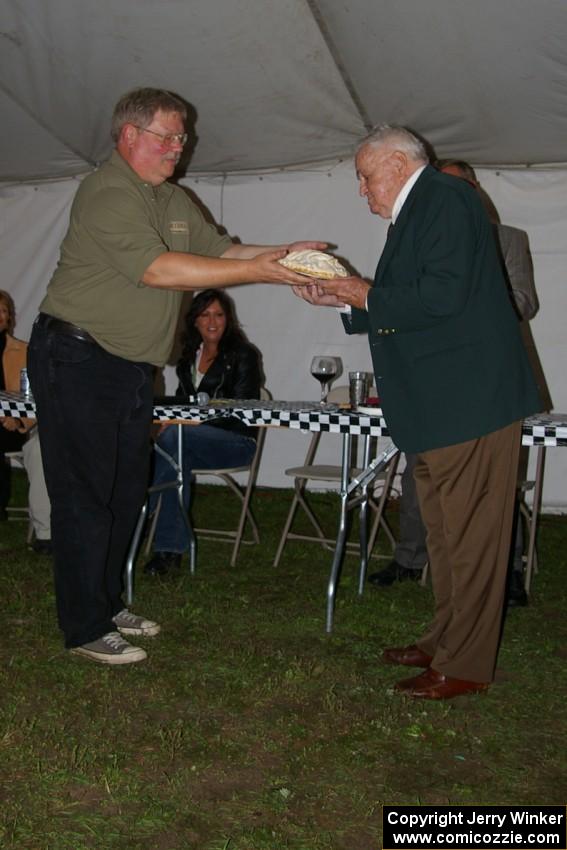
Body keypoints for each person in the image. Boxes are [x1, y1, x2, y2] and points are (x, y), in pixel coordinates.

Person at [27, 87, 322, 666]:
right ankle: (85, 626)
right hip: (77, 357)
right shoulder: (107, 191)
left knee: (125, 489)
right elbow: (159, 270)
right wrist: (260, 273)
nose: (177, 147)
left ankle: (108, 604)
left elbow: (223, 250)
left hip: (131, 367)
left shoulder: (173, 199)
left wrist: (286, 260)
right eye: (166, 136)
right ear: (129, 135)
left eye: (181, 137)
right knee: (86, 496)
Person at [294, 124, 541, 699]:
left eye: (365, 174)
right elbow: (414, 299)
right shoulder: (423, 210)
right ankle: (442, 640)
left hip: (467, 402)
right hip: (439, 404)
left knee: (473, 540)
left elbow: (444, 297)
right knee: (447, 537)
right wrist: (344, 299)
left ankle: (466, 665)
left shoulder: (446, 198)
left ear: (400, 166)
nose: (361, 189)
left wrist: (363, 292)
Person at [369, 158, 541, 605]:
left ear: (472, 191)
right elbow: (411, 303)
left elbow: (520, 301)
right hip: (430, 391)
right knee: (429, 496)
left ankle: (508, 575)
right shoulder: (411, 233)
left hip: (475, 387)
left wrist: (476, 293)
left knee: (480, 509)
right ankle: (413, 562)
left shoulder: (506, 240)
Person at [145, 289, 261, 575]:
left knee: (173, 439)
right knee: (174, 455)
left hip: (236, 441)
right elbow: (181, 402)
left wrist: (189, 423)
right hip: (189, 444)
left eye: (219, 314)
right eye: (205, 314)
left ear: (228, 319)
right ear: (194, 320)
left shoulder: (243, 354)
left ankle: (139, 512)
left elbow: (244, 409)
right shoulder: (188, 358)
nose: (213, 321)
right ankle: (168, 554)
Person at [0, 290, 51, 548]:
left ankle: (45, 534)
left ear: (9, 318)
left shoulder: (24, 351)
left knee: (42, 449)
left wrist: (19, 422)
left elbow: (37, 398)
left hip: (18, 428)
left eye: (3, 311)